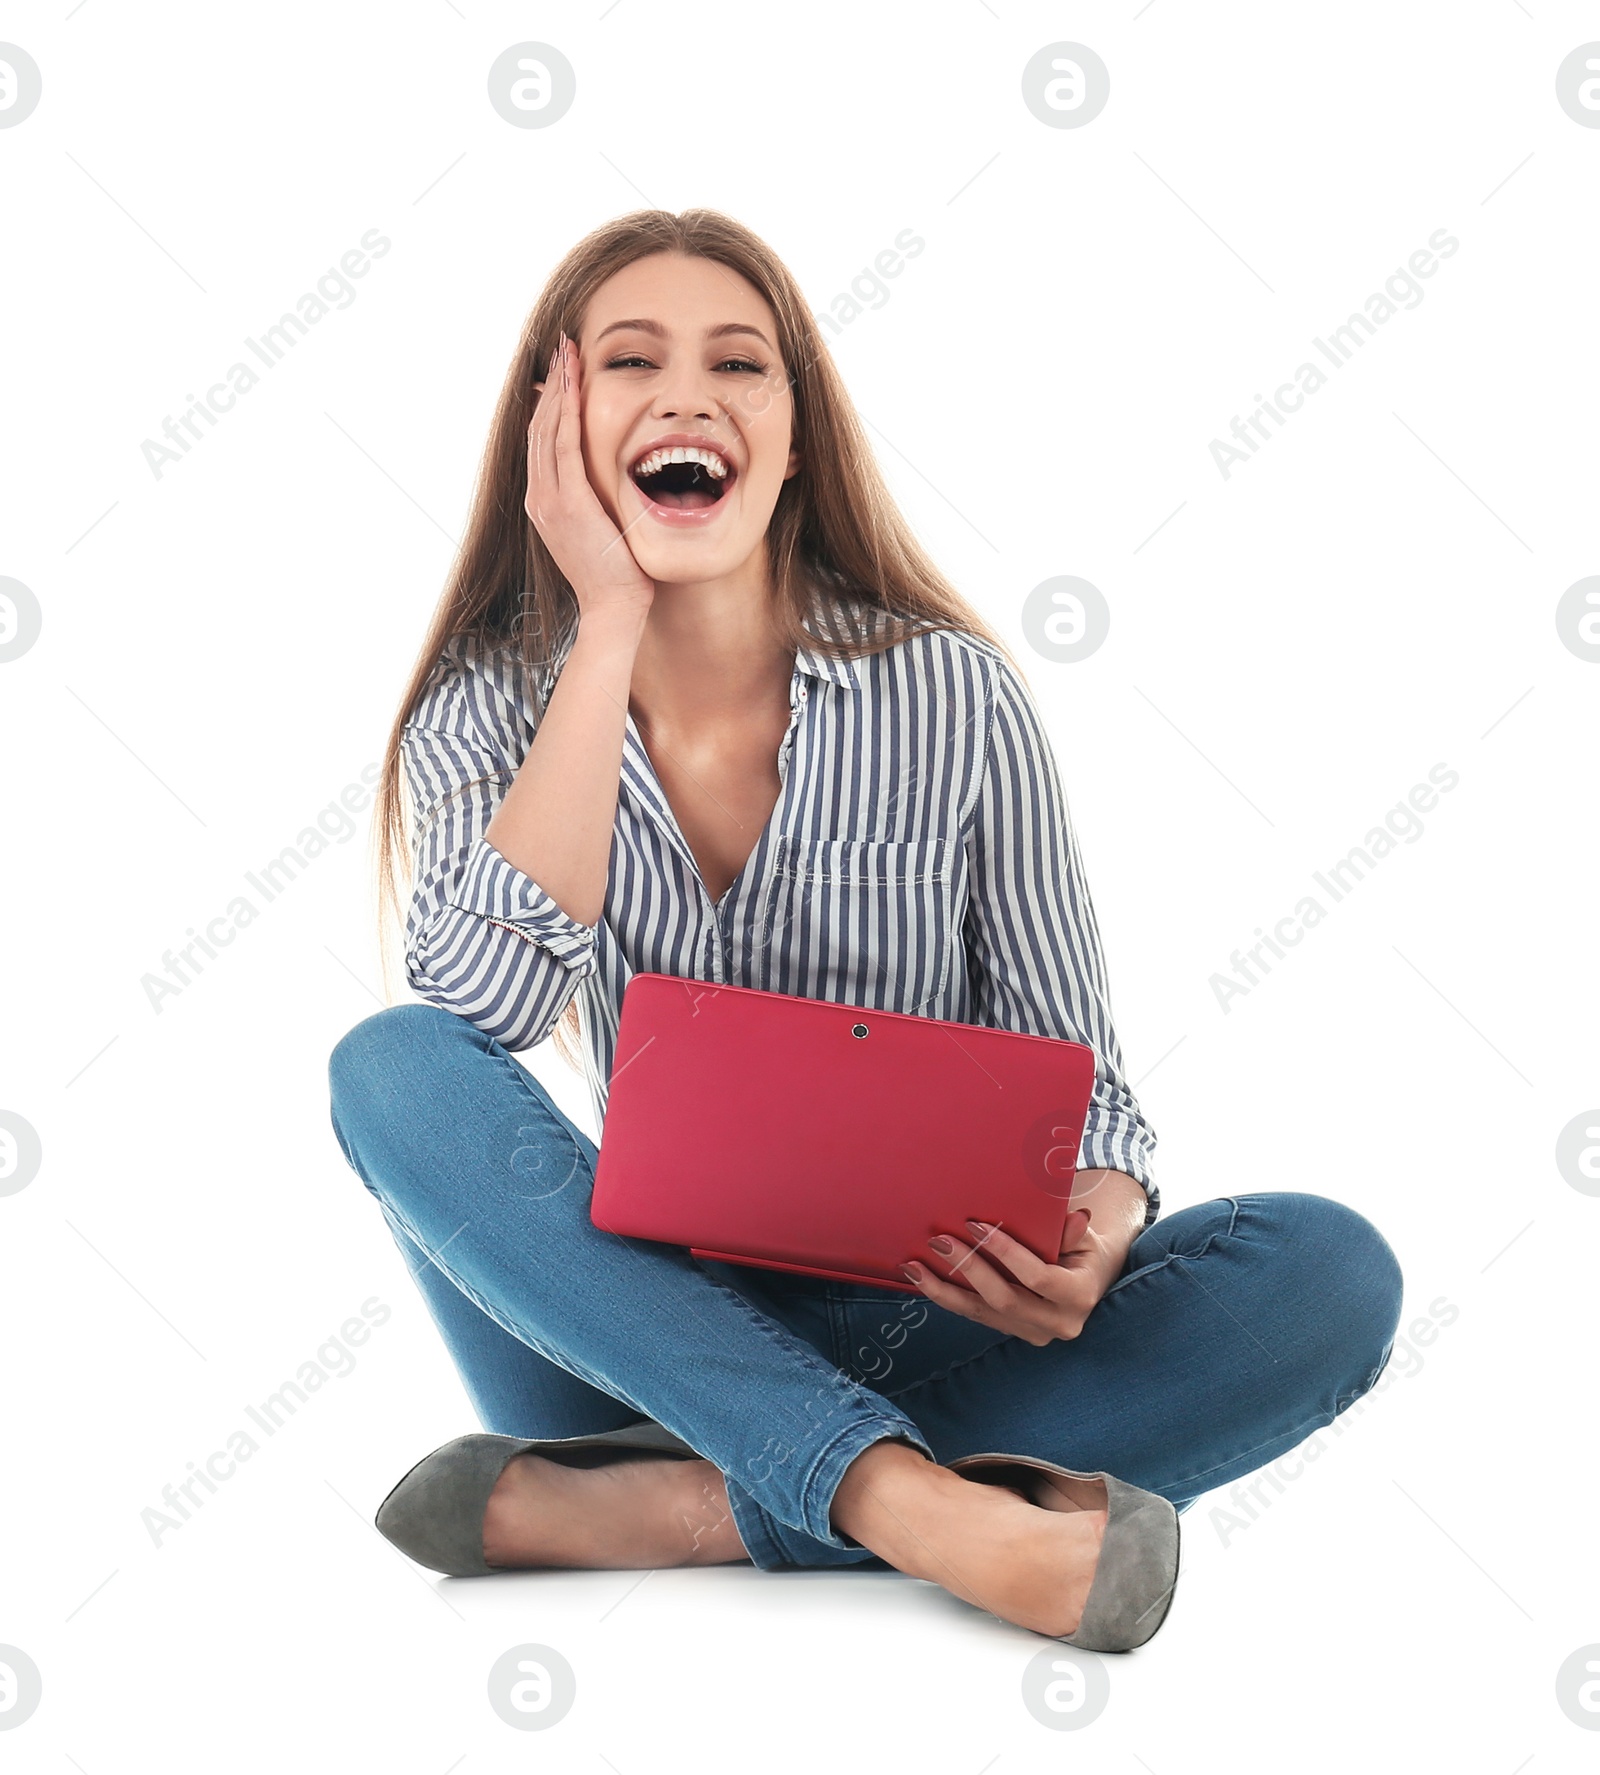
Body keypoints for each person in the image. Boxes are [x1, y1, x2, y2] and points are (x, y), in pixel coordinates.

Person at [326, 208, 1403, 1649]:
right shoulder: (486, 709)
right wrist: (602, 631)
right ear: (554, 427)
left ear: (793, 427)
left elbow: (1084, 1069)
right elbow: (483, 1007)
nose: (689, 394)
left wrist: (1104, 1213)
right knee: (389, 1063)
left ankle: (673, 1513)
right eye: (631, 360)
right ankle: (918, 1509)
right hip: (637, 1344)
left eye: (740, 363)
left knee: (1329, 1272)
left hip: (929, 1308)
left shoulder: (954, 697)